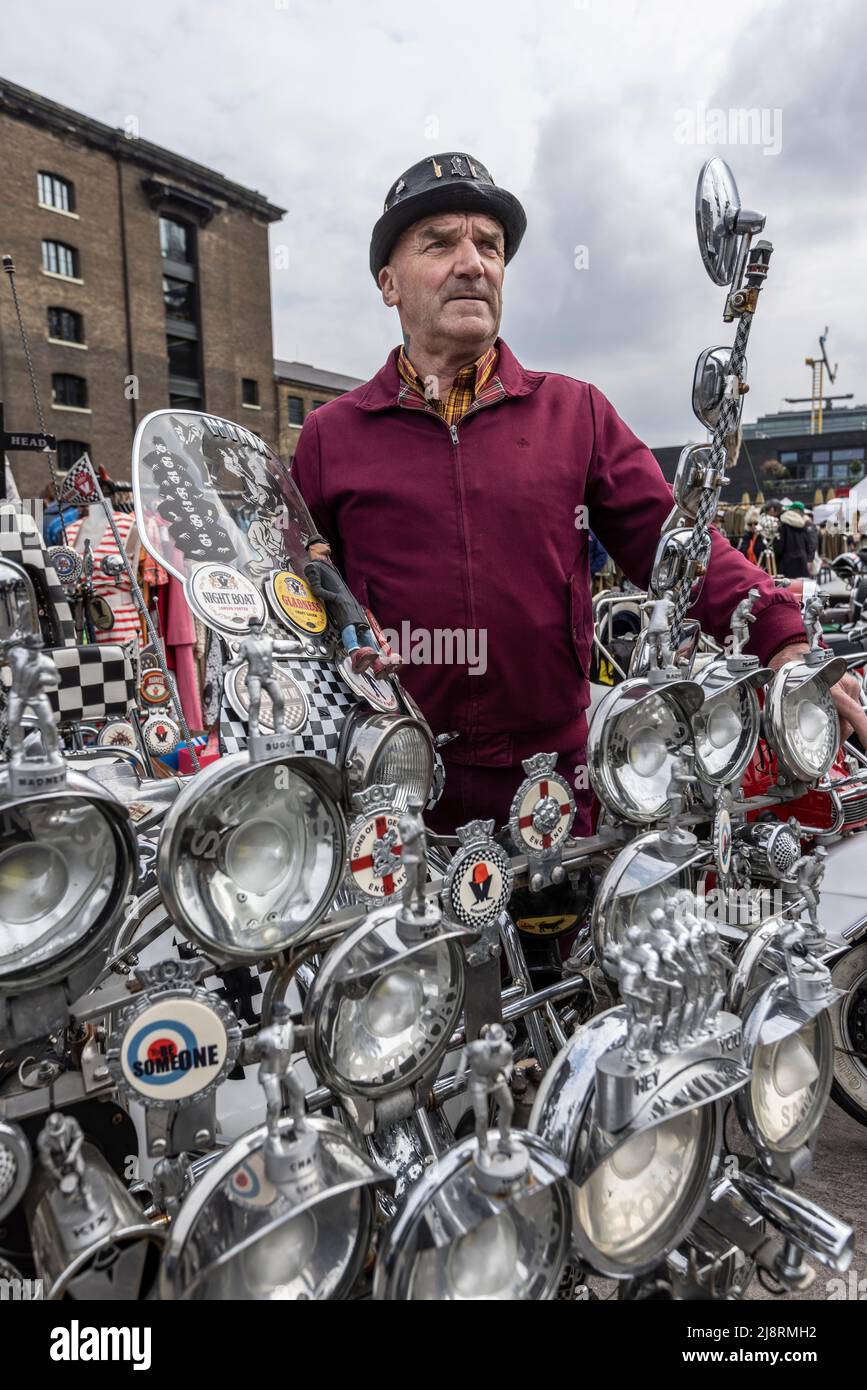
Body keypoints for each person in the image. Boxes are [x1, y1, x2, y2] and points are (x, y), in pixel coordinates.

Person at [291, 151, 867, 835]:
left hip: (554, 785)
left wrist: (781, 638)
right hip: (396, 784)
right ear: (388, 283)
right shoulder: (332, 436)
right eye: (439, 243)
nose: (472, 262)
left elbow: (673, 543)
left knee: (568, 943)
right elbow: (297, 588)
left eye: (490, 246)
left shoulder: (575, 414)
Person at [773, 499, 816, 579]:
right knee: (801, 587)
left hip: (787, 563)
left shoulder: (783, 525)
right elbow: (810, 543)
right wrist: (809, 559)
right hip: (802, 561)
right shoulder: (803, 524)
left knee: (788, 588)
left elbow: (779, 547)